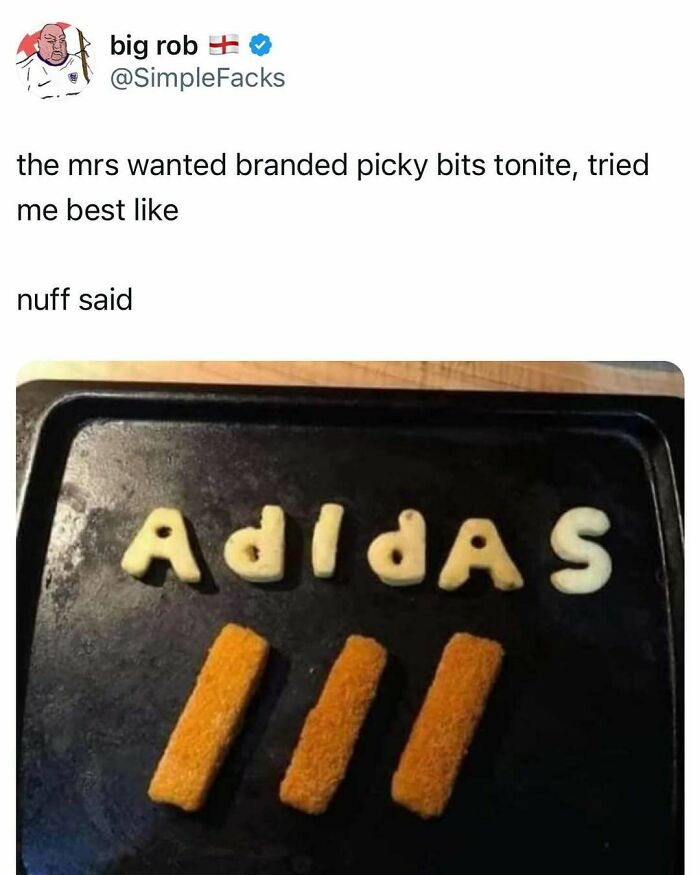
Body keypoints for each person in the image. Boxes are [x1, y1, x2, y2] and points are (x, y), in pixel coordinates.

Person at [17, 24, 92, 99]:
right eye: (51, 41)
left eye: (62, 40)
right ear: (40, 43)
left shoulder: (79, 63)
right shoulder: (23, 69)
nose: (57, 46)